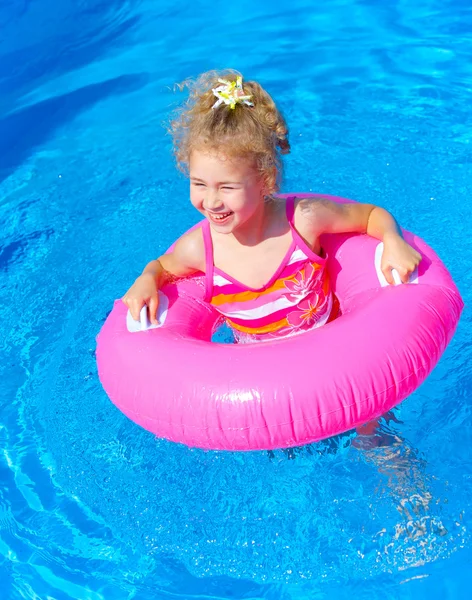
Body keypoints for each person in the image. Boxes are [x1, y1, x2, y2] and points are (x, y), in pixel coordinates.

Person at [122, 70, 421, 343]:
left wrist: (393, 239)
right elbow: (162, 266)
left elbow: (370, 215)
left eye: (227, 187)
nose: (211, 201)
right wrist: (147, 278)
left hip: (333, 353)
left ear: (266, 179)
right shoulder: (200, 250)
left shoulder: (304, 221)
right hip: (261, 385)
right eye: (199, 184)